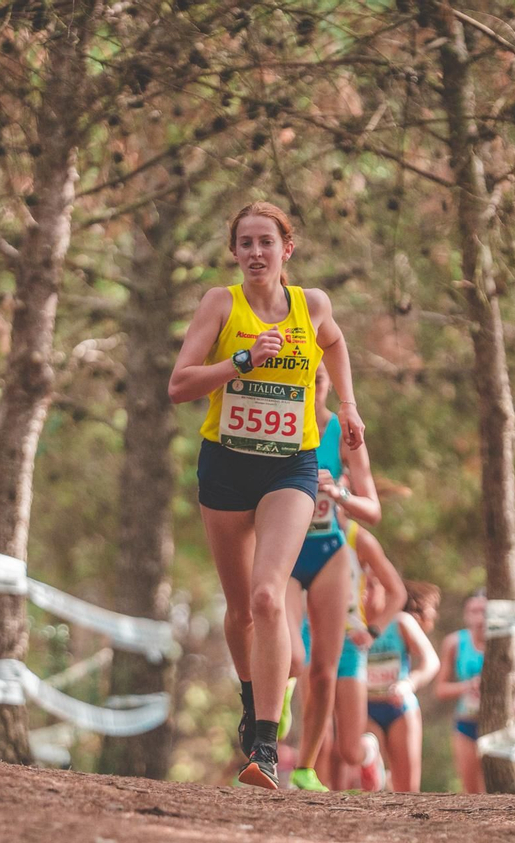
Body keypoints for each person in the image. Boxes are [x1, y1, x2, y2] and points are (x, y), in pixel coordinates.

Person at [168, 201, 365, 789]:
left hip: (291, 466)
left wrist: (349, 406)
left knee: (266, 597)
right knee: (239, 612)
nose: (256, 252)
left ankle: (266, 745)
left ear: (287, 249)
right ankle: (252, 694)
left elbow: (336, 343)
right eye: (246, 243)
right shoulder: (220, 304)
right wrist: (242, 360)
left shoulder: (312, 305)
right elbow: (179, 385)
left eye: (266, 242)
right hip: (227, 466)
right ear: (235, 252)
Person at [285, 401, 381, 791]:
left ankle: (306, 770)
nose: (314, 381)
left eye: (322, 376)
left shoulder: (343, 432)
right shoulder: (278, 417)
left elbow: (372, 509)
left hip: (328, 551)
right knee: (293, 657)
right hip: (286, 552)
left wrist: (337, 491)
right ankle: (276, 702)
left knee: (325, 674)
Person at [300, 515, 403, 791]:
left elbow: (397, 592)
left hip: (349, 644)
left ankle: (367, 753)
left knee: (349, 750)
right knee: (318, 731)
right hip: (310, 636)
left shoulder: (359, 538)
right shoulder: (298, 525)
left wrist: (373, 631)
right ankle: (312, 793)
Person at [434, 590, 515, 793]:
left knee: (502, 789)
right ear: (465, 615)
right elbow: (440, 689)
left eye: (483, 611)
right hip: (466, 724)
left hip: (500, 725)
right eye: (473, 611)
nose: (478, 618)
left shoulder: (508, 640)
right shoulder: (454, 643)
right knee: (472, 792)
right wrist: (468, 686)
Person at [362, 580, 441, 792]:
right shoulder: (351, 625)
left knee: (407, 790)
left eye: (371, 586)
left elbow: (431, 661)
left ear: (385, 590)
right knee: (370, 785)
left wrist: (409, 683)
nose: (364, 593)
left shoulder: (400, 622)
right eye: (361, 585)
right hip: (365, 709)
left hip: (401, 709)